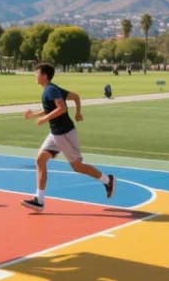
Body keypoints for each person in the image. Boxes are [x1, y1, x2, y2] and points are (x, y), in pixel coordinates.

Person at [20, 63, 114, 211]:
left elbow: (62, 108)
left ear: (44, 76)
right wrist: (34, 115)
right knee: (40, 160)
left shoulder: (51, 90)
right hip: (55, 133)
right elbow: (72, 99)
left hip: (64, 134)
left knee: (77, 167)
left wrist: (45, 119)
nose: (35, 76)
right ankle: (39, 200)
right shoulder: (51, 90)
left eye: (36, 73)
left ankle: (107, 180)